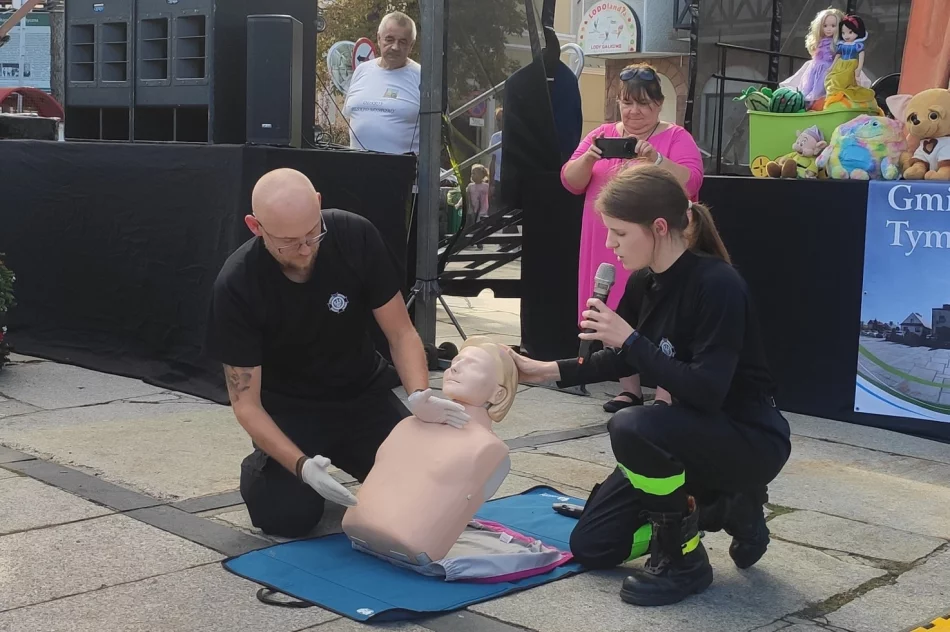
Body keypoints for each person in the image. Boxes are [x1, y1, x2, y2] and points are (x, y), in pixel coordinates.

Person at [508, 165, 791, 607]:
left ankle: (684, 558)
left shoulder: (718, 285)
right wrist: (536, 371)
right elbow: (620, 358)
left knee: (632, 424)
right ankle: (720, 506)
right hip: (686, 437)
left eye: (619, 233)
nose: (610, 245)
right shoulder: (645, 280)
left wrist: (631, 339)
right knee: (594, 546)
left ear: (659, 228)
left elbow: (706, 392)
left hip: (747, 438)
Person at [203, 168, 469, 538]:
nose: (306, 249)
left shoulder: (353, 234)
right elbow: (246, 403)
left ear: (318, 205)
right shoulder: (237, 285)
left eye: (313, 233)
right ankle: (265, 469)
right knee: (288, 515)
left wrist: (420, 393)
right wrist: (300, 467)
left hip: (361, 393)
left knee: (427, 492)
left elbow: (401, 332)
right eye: (289, 241)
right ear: (255, 226)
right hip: (291, 409)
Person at [561, 63, 704, 414]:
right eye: (627, 103)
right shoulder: (601, 135)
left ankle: (666, 393)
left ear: (658, 105)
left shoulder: (675, 137)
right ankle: (629, 389)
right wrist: (591, 155)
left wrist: (656, 158)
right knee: (612, 310)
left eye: (642, 104)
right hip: (606, 248)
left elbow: (692, 181)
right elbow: (570, 180)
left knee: (662, 315)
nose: (634, 111)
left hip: (656, 247)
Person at [343, 11, 421, 155]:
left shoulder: (421, 77)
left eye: (402, 42)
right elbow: (350, 116)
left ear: (412, 45)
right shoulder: (361, 71)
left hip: (402, 174)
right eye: (389, 39)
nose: (395, 47)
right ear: (379, 38)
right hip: (355, 171)